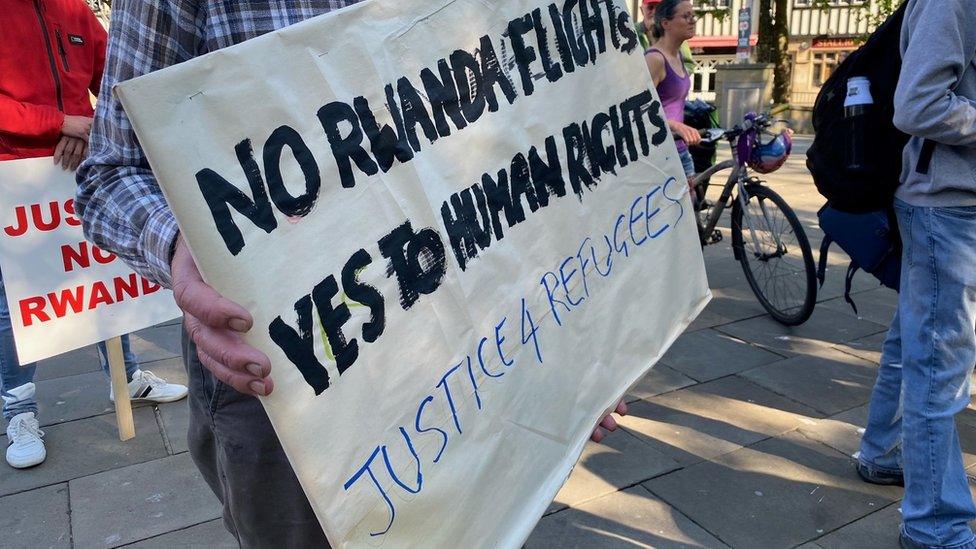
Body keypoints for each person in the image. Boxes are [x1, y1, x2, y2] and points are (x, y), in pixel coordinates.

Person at [75, 1, 630, 545]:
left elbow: (538, 127)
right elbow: (111, 175)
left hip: (487, 329)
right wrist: (178, 247)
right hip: (293, 369)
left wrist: (582, 342)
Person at [0, 0, 187, 470]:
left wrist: (91, 129)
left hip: (79, 163)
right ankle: (19, 409)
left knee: (104, 280)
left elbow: (121, 78)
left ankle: (126, 379)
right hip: (14, 179)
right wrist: (61, 122)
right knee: (16, 304)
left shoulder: (75, 10)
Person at [855, 1, 976, 547]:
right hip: (946, 206)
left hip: (949, 203)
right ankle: (935, 527)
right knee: (938, 361)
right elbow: (919, 105)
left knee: (918, 339)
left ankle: (881, 449)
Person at [643, 0, 700, 189]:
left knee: (692, 214)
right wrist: (676, 126)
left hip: (680, 151)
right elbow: (640, 110)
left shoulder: (679, 56)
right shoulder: (654, 59)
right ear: (666, 23)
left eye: (693, 16)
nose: (692, 21)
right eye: (686, 16)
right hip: (659, 157)